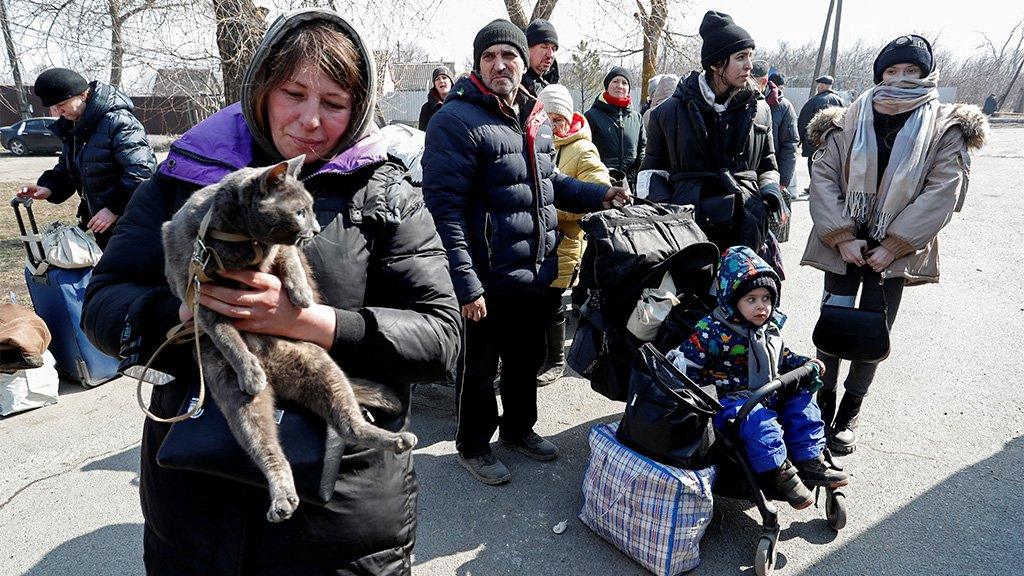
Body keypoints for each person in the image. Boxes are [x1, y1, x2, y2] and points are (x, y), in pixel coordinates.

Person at [81, 9, 460, 573]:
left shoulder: (386, 192)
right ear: (262, 89)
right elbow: (103, 303)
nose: (311, 120)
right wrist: (181, 312)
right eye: (294, 93)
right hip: (193, 495)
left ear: (358, 108)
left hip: (340, 513)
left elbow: (441, 337)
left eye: (333, 103)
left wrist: (308, 322)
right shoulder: (185, 177)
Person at [422, 19, 628, 486]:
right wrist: (466, 284)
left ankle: (519, 430)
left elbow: (548, 185)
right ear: (477, 64)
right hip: (486, 275)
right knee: (479, 368)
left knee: (524, 358)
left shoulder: (532, 116)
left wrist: (601, 195)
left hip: (534, 269)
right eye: (490, 56)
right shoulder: (454, 121)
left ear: (521, 62)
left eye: (508, 56)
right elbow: (445, 212)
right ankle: (473, 446)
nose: (500, 64)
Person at [801, 34, 988, 456]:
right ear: (879, 75)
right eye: (891, 71)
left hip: (897, 251)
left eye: (911, 71)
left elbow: (942, 191)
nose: (900, 79)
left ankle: (849, 413)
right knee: (831, 326)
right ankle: (820, 403)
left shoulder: (945, 126)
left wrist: (895, 244)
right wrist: (842, 237)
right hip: (842, 245)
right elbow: (824, 178)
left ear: (928, 75)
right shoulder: (845, 120)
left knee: (873, 331)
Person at [668, 246, 848, 509]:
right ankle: (780, 472)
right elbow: (687, 363)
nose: (761, 306)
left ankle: (810, 458)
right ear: (733, 300)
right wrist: (697, 400)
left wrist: (804, 364)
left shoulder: (769, 327)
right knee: (759, 422)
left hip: (767, 390)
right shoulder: (713, 331)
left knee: (803, 400)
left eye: (766, 298)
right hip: (729, 401)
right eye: (751, 299)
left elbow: (782, 355)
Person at [642, 10, 786, 255]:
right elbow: (650, 172)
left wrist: (770, 190)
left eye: (750, 56)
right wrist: (668, 213)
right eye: (741, 57)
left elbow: (768, 164)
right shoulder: (666, 113)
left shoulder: (760, 109)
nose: (749, 65)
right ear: (716, 63)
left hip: (747, 226)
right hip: (688, 234)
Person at [16, 68, 155, 249]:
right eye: (53, 107)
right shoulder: (76, 125)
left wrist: (114, 208)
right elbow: (69, 169)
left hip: (132, 222)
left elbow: (141, 172)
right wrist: (49, 188)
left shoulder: (119, 122)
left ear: (83, 95)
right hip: (103, 223)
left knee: (132, 276)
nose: (58, 112)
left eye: (63, 104)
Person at [535, 83, 611, 386]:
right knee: (536, 303)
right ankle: (539, 355)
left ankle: (555, 360)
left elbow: (596, 195)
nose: (553, 124)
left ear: (569, 118)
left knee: (552, 303)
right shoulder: (534, 144)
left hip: (565, 243)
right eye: (546, 117)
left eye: (559, 118)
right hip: (536, 241)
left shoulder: (581, 149)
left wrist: (553, 209)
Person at [585, 66, 645, 190]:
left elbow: (643, 148)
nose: (620, 86)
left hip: (630, 187)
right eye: (615, 81)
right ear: (607, 86)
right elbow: (585, 151)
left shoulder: (637, 118)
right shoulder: (591, 116)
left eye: (624, 83)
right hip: (601, 184)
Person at [761, 69, 799, 243]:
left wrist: (783, 181)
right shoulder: (742, 98)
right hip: (745, 176)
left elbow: (789, 145)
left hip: (772, 174)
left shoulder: (783, 106)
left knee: (769, 234)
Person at [797, 74, 845, 193]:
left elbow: (804, 121)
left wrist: (800, 138)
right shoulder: (840, 100)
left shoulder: (814, 101)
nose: (818, 86)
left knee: (814, 164)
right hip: (836, 141)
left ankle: (815, 186)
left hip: (816, 141)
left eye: (819, 84)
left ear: (822, 86)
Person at [521, 18, 559, 96]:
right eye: (544, 47)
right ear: (528, 48)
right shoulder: (514, 86)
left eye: (553, 49)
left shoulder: (554, 89)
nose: (550, 55)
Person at [418, 65, 453, 130]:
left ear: (451, 82)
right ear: (435, 85)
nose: (441, 81)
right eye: (437, 79)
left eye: (444, 77)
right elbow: (422, 134)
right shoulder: (427, 109)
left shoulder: (460, 103)